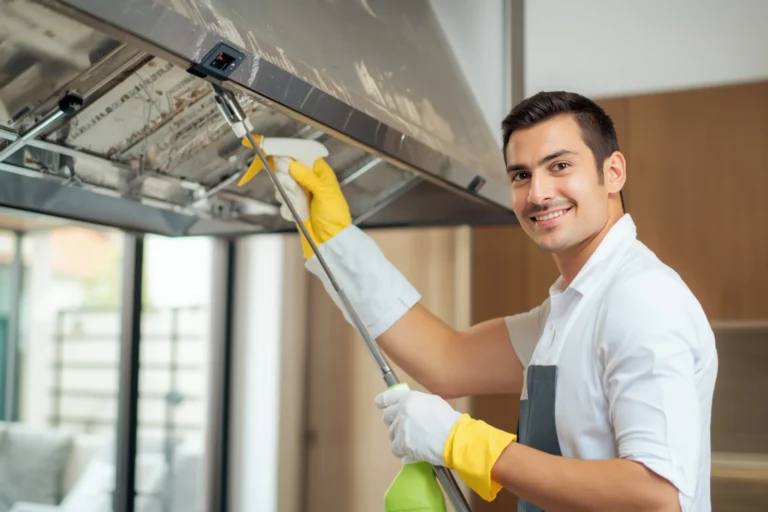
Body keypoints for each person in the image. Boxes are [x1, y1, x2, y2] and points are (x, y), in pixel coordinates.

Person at [250, 91, 718, 512]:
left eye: (559, 166)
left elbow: (657, 495)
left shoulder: (640, 299)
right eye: (521, 175)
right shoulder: (574, 307)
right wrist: (335, 241)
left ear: (612, 172)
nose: (538, 193)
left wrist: (467, 443)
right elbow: (446, 360)